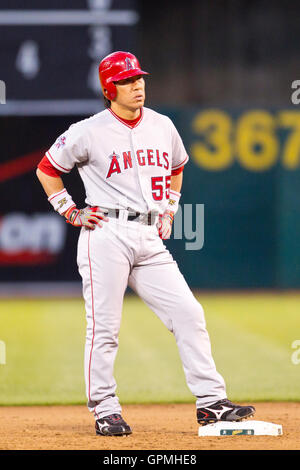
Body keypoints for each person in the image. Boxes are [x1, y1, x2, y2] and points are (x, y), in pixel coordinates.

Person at [36, 51, 255, 436]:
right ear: (109, 88)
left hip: (150, 236)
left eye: (138, 77)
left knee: (188, 313)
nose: (137, 85)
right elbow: (47, 169)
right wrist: (70, 211)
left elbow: (176, 167)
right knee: (104, 329)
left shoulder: (162, 124)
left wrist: (169, 209)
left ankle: (211, 403)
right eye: (126, 80)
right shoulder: (88, 130)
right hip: (106, 234)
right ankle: (105, 408)